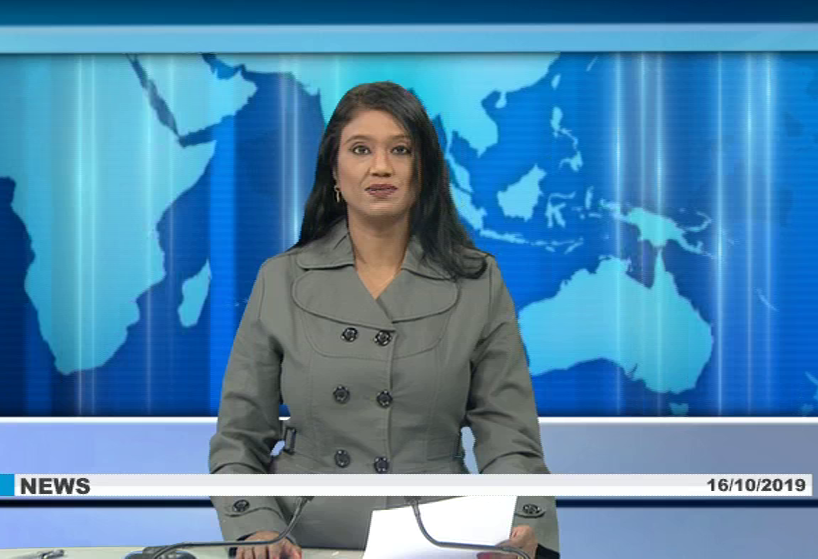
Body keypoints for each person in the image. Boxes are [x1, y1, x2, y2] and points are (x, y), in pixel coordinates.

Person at [209, 81, 560, 559]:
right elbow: (238, 439)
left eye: (401, 150)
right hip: (302, 542)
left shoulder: (478, 281)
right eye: (360, 149)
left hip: (436, 539)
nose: (381, 167)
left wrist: (522, 524)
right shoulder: (281, 279)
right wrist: (255, 529)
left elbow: (509, 436)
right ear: (334, 170)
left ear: (424, 169)